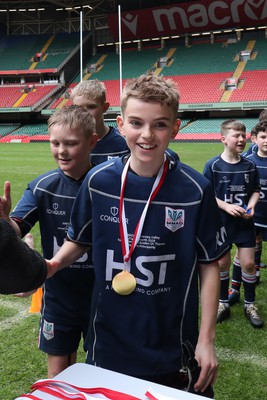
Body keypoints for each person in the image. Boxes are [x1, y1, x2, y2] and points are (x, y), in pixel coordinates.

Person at [47, 72, 229, 395]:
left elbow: (210, 264)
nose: (147, 134)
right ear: (120, 124)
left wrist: (207, 339)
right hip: (107, 342)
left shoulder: (195, 190)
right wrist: (51, 265)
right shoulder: (98, 182)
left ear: (175, 128)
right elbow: (78, 241)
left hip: (172, 347)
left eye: (159, 124)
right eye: (136, 123)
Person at [0, 105, 97, 378]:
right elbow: (16, 229)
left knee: (99, 371)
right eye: (55, 143)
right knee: (58, 376)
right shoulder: (42, 186)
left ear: (92, 141)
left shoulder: (107, 184)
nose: (61, 151)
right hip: (59, 294)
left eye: (71, 143)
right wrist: (6, 221)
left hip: (101, 296)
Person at [203, 119, 263, 328]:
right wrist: (226, 207)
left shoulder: (250, 165)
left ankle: (250, 304)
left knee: (248, 263)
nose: (240, 139)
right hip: (221, 223)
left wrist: (252, 206)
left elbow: (255, 190)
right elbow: (208, 195)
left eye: (243, 135)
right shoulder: (213, 165)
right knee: (222, 263)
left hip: (244, 224)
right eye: (235, 135)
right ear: (223, 139)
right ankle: (222, 303)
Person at [229, 121, 267, 304]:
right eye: (263, 137)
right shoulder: (248, 161)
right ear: (254, 139)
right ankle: (234, 288)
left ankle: (255, 273)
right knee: (245, 253)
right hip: (253, 216)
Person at [70, 79, 130, 164]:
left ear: (105, 107)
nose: (84, 113)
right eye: (78, 108)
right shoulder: (69, 143)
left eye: (91, 107)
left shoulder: (124, 142)